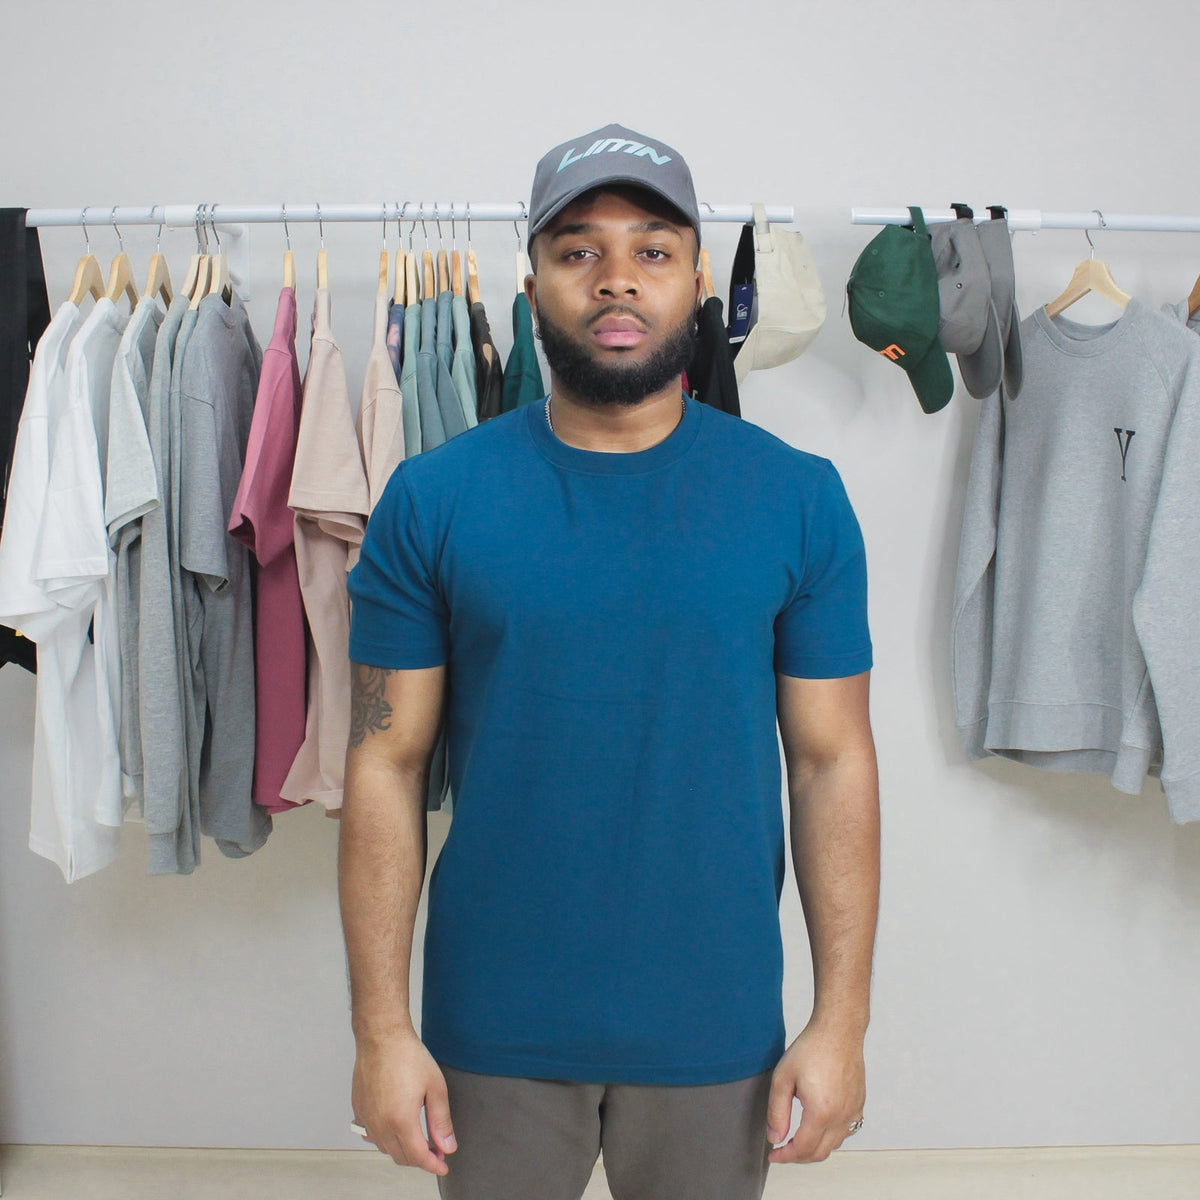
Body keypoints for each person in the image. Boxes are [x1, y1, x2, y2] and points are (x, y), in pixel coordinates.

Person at [338, 122, 880, 1200]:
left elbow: (833, 766)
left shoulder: (797, 496)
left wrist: (841, 1022)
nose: (617, 280)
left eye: (653, 250)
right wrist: (382, 1032)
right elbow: (383, 764)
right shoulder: (434, 498)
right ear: (533, 280)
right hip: (490, 1025)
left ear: (694, 282)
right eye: (579, 250)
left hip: (716, 1022)